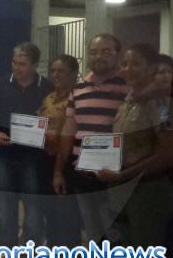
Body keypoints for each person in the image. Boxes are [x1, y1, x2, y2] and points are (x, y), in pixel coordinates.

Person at [96, 43, 173, 258]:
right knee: (126, 257)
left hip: (148, 190)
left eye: (136, 64)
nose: (127, 69)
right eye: (125, 63)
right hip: (124, 188)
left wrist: (121, 176)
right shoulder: (128, 100)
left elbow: (165, 156)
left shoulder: (161, 103)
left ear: (151, 68)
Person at [53, 34, 128, 245]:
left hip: (114, 174)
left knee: (114, 229)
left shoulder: (128, 86)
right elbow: (69, 132)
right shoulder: (78, 89)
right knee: (92, 227)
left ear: (117, 55)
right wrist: (59, 171)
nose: (99, 56)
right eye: (94, 52)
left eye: (106, 51)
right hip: (82, 171)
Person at [0, 42, 53, 258]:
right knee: (6, 206)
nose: (17, 67)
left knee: (33, 208)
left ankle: (32, 253)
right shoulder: (0, 85)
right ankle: (7, 251)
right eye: (14, 62)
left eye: (23, 64)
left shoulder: (48, 87)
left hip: (36, 159)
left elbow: (56, 119)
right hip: (6, 154)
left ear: (35, 65)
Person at [37, 54, 82, 258]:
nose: (55, 75)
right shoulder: (48, 98)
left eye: (61, 71)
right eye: (53, 70)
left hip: (67, 163)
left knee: (68, 220)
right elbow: (40, 124)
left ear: (74, 74)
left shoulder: (78, 99)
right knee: (51, 218)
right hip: (46, 160)